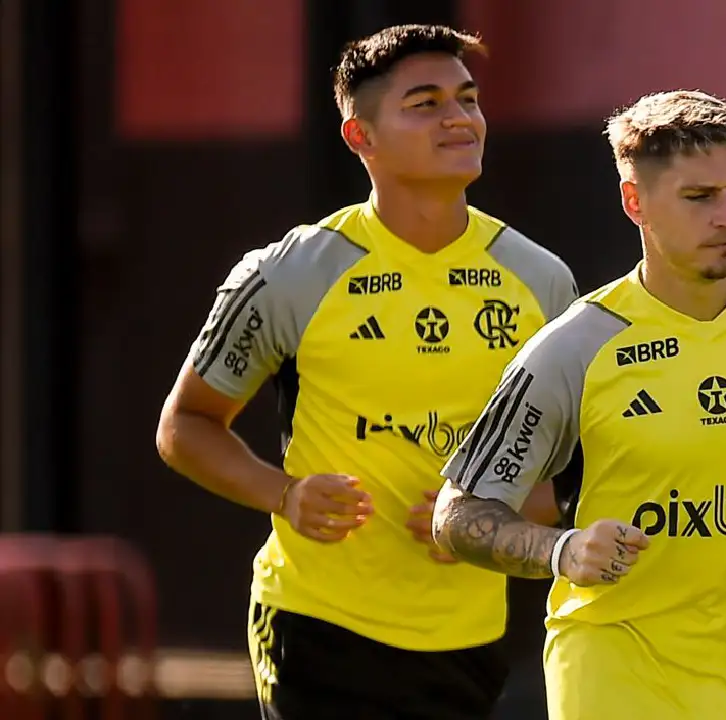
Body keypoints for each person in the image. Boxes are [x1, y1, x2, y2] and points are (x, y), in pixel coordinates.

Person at [154, 24, 577, 720]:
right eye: (426, 102)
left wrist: (482, 524)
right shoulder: (292, 272)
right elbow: (186, 426)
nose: (459, 118)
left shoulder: (540, 280)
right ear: (361, 137)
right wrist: (284, 494)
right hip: (318, 627)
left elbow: (574, 475)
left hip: (470, 639)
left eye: (467, 99)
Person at [429, 90, 726, 719]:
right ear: (635, 202)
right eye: (699, 197)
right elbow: (458, 513)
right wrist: (563, 550)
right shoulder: (575, 347)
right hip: (616, 669)